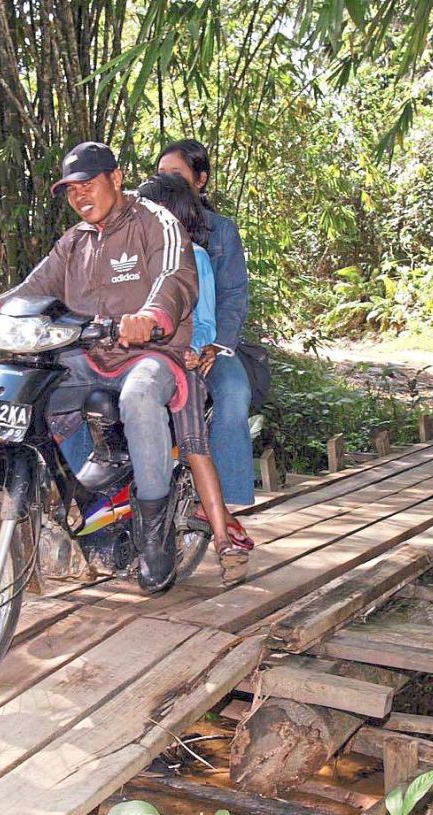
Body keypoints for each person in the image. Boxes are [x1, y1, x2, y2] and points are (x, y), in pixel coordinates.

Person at [0, 141, 198, 594]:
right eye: (71, 190)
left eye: (88, 184)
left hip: (150, 355)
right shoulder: (74, 243)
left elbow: (174, 279)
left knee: (139, 397)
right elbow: (34, 287)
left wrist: (152, 317)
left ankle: (155, 535)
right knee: (33, 393)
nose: (80, 196)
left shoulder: (156, 223)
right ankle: (64, 504)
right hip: (87, 356)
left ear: (116, 178)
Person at [136, 173, 249, 584]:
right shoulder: (134, 258)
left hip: (179, 361)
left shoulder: (195, 257)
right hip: (135, 363)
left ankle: (223, 539)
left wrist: (194, 348)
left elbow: (203, 323)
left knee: (193, 441)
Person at [157, 139, 255, 551]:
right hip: (164, 342)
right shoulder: (147, 230)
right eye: (161, 177)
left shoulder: (222, 231)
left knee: (233, 391)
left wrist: (217, 345)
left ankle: (218, 503)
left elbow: (233, 295)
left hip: (211, 340)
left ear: (201, 180)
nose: (167, 185)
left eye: (176, 177)